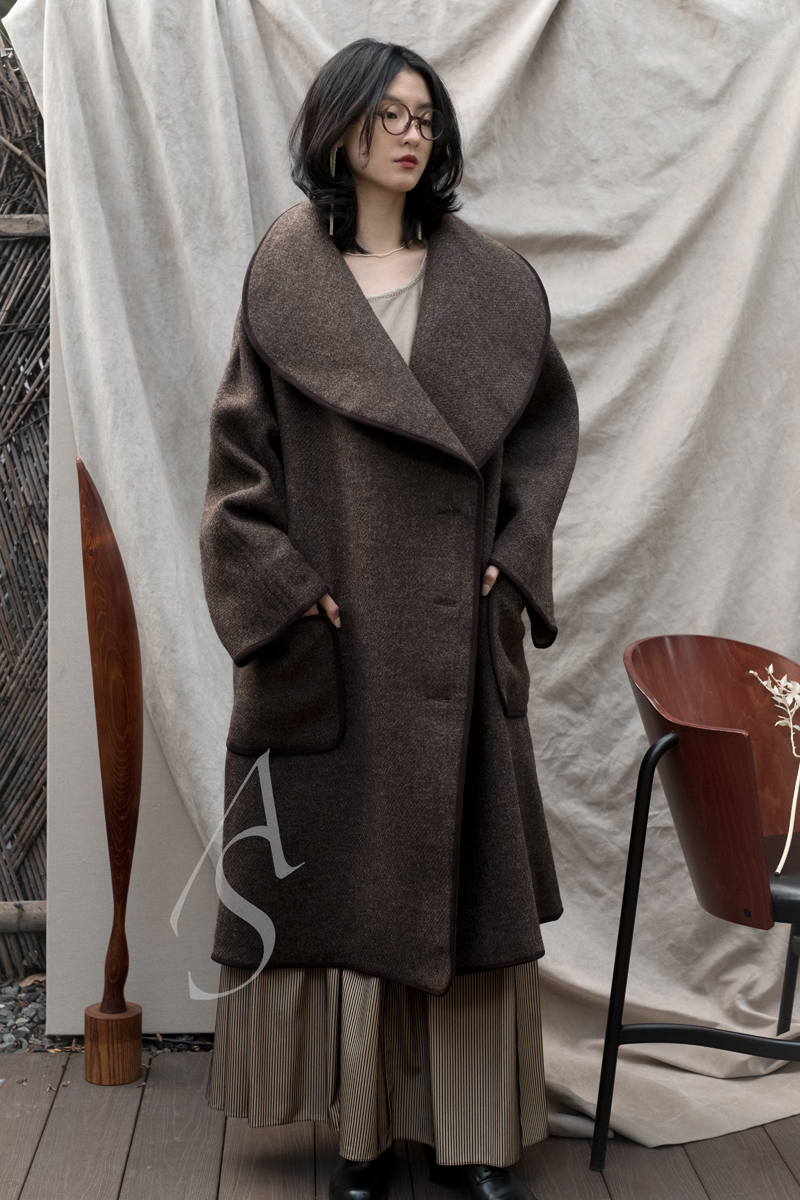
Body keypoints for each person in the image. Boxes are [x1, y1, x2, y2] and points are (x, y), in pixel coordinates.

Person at [200, 37, 579, 1200]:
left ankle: (472, 1138)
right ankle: (365, 1135)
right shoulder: (288, 280)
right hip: (341, 642)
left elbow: (545, 441)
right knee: (359, 886)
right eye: (390, 115)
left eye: (425, 117)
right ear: (341, 128)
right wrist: (282, 589)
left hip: (455, 644)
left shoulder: (494, 287)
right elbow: (236, 465)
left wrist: (510, 561)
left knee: (467, 887)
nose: (412, 134)